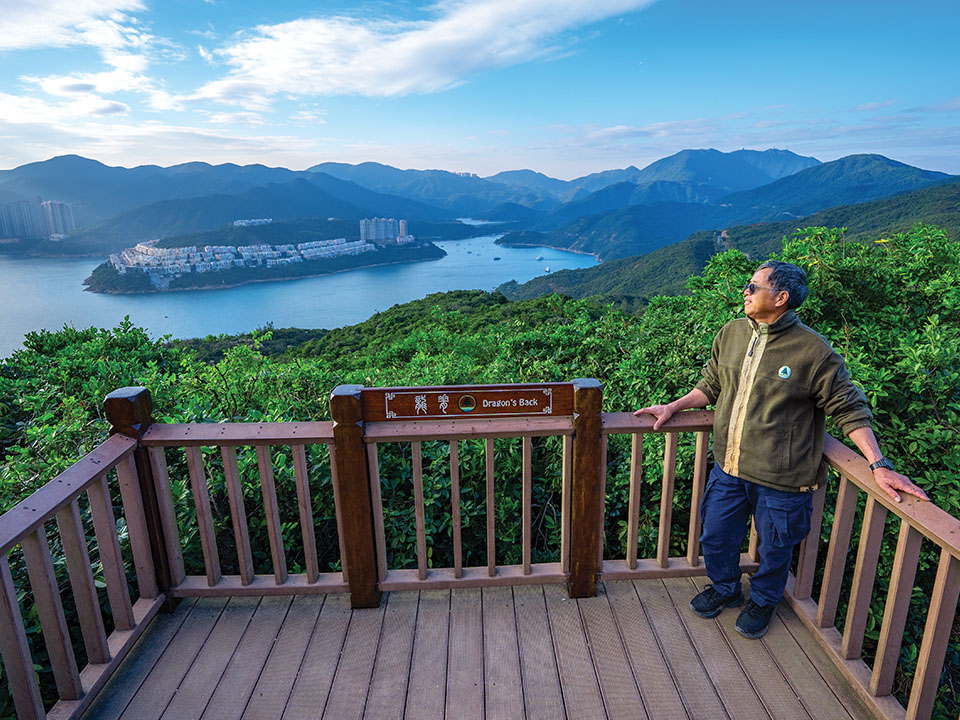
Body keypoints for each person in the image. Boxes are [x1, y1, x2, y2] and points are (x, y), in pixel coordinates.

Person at [635, 260, 928, 639]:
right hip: (730, 467)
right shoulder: (733, 334)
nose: (745, 291)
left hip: (783, 478)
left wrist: (878, 463)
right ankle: (725, 589)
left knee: (775, 548)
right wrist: (674, 406)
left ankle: (763, 600)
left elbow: (849, 407)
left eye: (752, 286)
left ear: (781, 297)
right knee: (716, 535)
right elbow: (711, 383)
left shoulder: (813, 351)